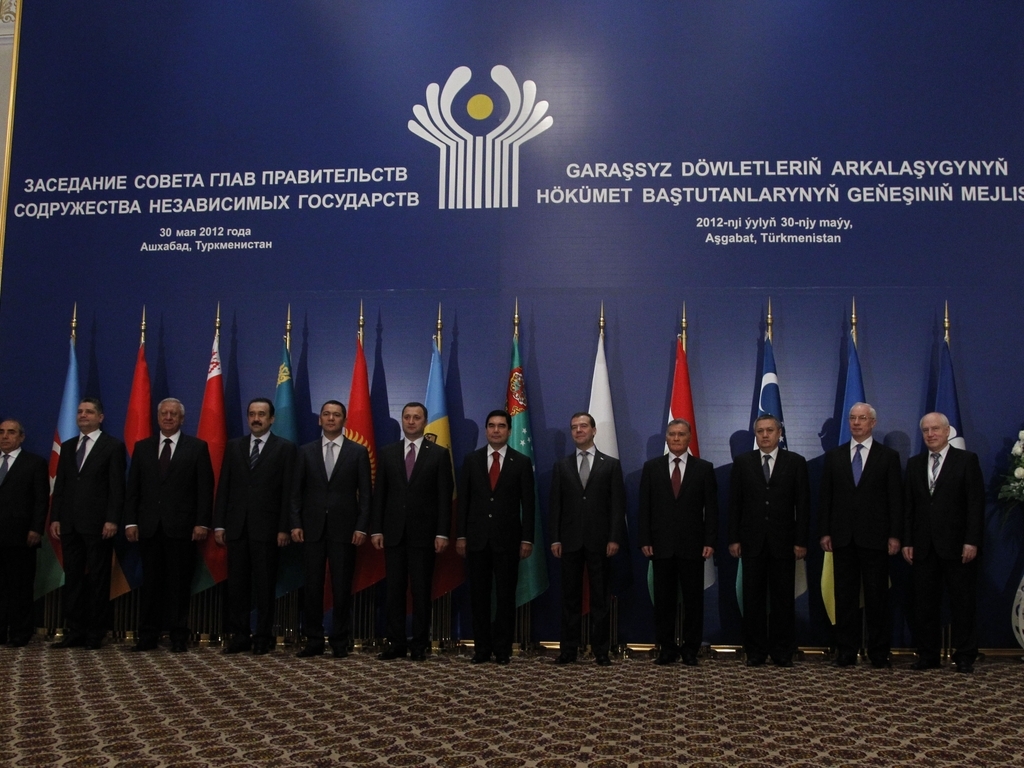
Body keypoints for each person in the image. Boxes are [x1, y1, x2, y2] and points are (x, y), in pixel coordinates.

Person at [124, 398, 214, 653]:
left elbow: (204, 489)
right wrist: (130, 521)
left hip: (183, 529)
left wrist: (202, 523)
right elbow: (133, 489)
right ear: (158, 417)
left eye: (173, 414)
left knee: (179, 585)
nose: (168, 417)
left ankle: (178, 636)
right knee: (150, 584)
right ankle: (147, 636)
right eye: (164, 413)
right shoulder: (143, 447)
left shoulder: (196, 447)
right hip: (149, 528)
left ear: (182, 419)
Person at [819, 402, 903, 668]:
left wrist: (895, 535)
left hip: (876, 539)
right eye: (852, 418)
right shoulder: (835, 456)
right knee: (845, 597)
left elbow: (895, 500)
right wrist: (825, 532)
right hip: (842, 538)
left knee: (878, 598)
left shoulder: (888, 457)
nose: (856, 423)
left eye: (862, 418)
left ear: (873, 423)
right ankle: (846, 651)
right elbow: (826, 498)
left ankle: (878, 653)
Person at [370, 402, 454, 661]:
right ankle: (395, 644)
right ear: (402, 420)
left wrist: (442, 533)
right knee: (394, 592)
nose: (411, 421)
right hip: (393, 534)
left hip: (424, 536)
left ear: (424, 422)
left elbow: (444, 497)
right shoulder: (388, 452)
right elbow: (380, 495)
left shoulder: (438, 454)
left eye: (416, 417)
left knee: (420, 592)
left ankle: (419, 645)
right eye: (407, 417)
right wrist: (376, 529)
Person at [902, 412, 984, 673]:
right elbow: (909, 507)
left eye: (935, 429)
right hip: (923, 546)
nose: (931, 434)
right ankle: (928, 655)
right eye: (926, 430)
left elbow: (975, 504)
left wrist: (971, 541)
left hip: (957, 546)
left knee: (962, 603)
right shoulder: (914, 464)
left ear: (947, 431)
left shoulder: (966, 460)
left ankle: (965, 655)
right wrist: (907, 541)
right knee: (924, 604)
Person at [213, 398, 296, 655]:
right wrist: (219, 525)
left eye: (261, 414)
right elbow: (224, 487)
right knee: (237, 586)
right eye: (252, 414)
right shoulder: (234, 446)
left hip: (268, 530)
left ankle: (263, 637)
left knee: (264, 586)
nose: (256, 419)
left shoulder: (285, 448)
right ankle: (239, 636)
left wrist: (284, 528)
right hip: (237, 528)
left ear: (272, 419)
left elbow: (288, 492)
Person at [290, 400, 372, 659]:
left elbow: (366, 495)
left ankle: (339, 641)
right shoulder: (305, 451)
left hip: (345, 530)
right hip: (311, 529)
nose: (330, 418)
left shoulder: (358, 452)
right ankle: (313, 640)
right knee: (312, 587)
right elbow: (295, 492)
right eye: (326, 414)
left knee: (341, 588)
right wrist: (295, 523)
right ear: (320, 420)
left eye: (336, 415)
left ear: (344, 420)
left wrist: (361, 527)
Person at [727, 414, 809, 667]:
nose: (765, 435)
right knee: (753, 599)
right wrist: (734, 538)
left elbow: (803, 505)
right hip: (751, 542)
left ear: (779, 433)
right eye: (760, 431)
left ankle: (782, 651)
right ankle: (755, 651)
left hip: (784, 542)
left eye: (770, 430)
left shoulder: (795, 462)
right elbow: (735, 504)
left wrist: (801, 540)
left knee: (783, 600)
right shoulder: (743, 462)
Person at [456, 409, 535, 665]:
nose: (496, 430)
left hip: (508, 541)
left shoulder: (521, 462)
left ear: (509, 431)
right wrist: (461, 536)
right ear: (486, 430)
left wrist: (527, 539)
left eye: (501, 426)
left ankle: (502, 650)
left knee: (505, 597)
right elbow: (464, 502)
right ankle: (481, 649)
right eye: (491, 425)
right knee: (479, 597)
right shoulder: (472, 460)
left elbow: (529, 504)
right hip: (477, 540)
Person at [549, 412, 626, 666]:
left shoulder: (610, 464)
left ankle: (601, 651)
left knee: (600, 598)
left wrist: (614, 538)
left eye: (583, 426)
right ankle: (568, 650)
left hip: (600, 541)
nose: (578, 430)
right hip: (569, 541)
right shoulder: (562, 465)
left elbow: (617, 506)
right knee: (569, 598)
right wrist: (555, 538)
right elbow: (556, 506)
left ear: (594, 430)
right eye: (574, 427)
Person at [638, 418, 718, 666]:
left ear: (689, 438)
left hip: (693, 546)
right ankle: (667, 648)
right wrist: (645, 539)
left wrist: (710, 540)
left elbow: (711, 509)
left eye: (681, 434)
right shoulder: (652, 467)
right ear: (666, 437)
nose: (676, 438)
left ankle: (691, 649)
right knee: (664, 601)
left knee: (694, 601)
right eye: (672, 434)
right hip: (660, 545)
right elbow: (645, 508)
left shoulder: (703, 468)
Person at [50, 397, 127, 650]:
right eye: (80, 411)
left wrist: (112, 519)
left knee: (98, 580)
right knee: (73, 579)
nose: (83, 415)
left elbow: (117, 487)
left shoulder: (112, 446)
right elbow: (61, 486)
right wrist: (56, 517)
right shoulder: (68, 446)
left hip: (99, 525)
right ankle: (75, 631)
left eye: (89, 412)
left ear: (100, 417)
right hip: (70, 524)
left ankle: (95, 632)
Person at [0, 419, 49, 647]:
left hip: (21, 536)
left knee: (20, 587)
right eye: (1, 432)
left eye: (11, 432)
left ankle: (20, 633)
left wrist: (36, 528)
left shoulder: (34, 463)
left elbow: (41, 500)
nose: (5, 436)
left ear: (21, 437)